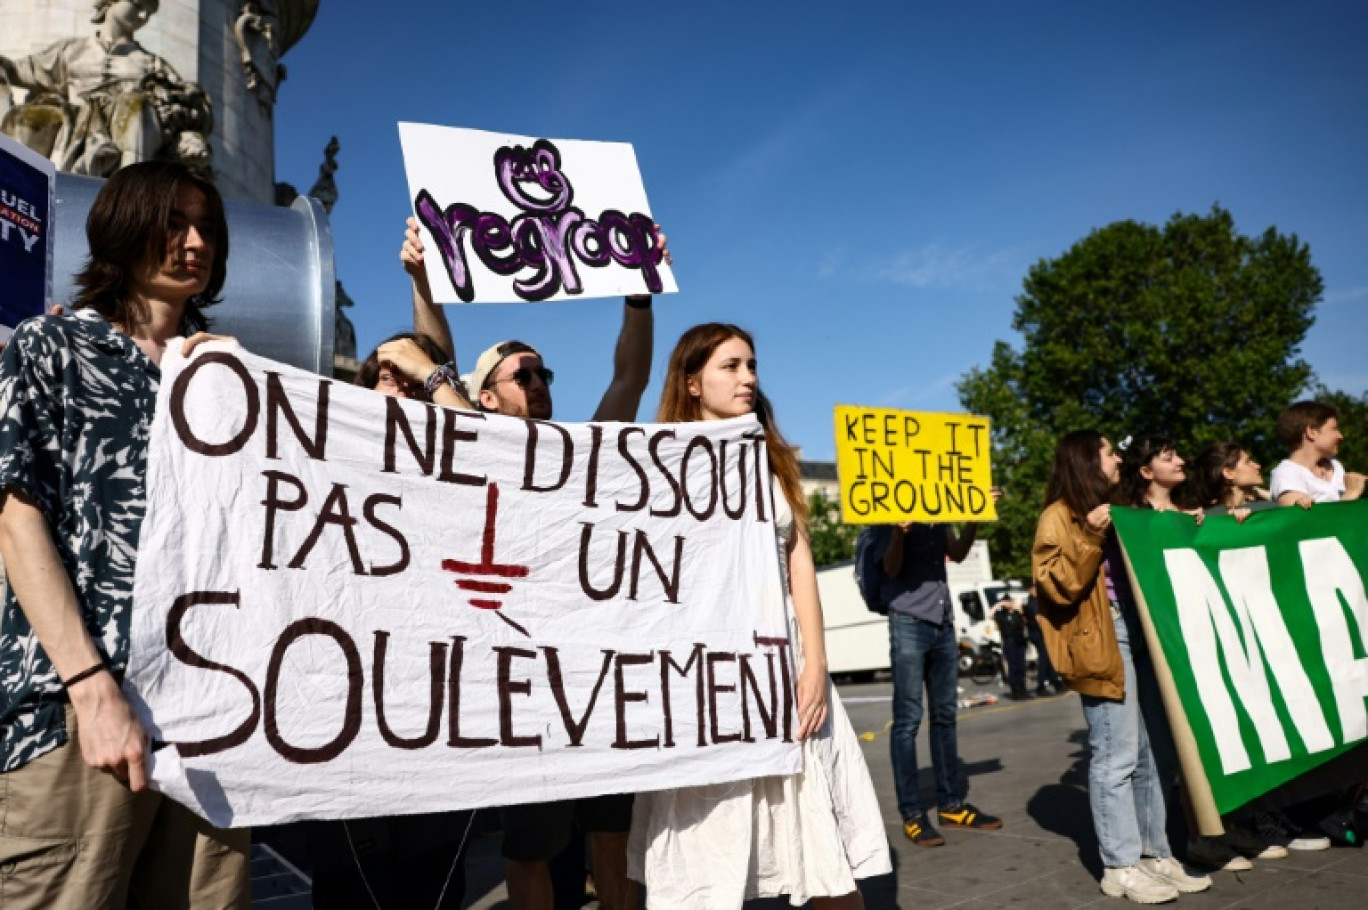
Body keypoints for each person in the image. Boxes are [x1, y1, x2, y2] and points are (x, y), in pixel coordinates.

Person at [0, 160, 247, 907]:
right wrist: (89, 685)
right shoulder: (54, 350)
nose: (195, 242)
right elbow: (16, 515)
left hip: (214, 723)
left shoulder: (233, 380)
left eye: (206, 227)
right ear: (122, 226)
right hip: (79, 720)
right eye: (173, 222)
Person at [399, 217, 665, 910]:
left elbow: (630, 376)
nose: (540, 381)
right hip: (523, 685)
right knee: (532, 850)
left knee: (612, 838)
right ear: (485, 397)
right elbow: (436, 362)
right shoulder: (472, 449)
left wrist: (638, 292)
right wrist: (426, 281)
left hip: (595, 680)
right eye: (524, 373)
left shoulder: (580, 452)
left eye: (546, 371)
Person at [628, 322, 890, 908]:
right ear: (692, 382)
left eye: (752, 365)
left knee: (827, 852)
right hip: (709, 678)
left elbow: (799, 563)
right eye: (732, 366)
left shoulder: (768, 458)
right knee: (706, 859)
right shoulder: (658, 463)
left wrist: (816, 664)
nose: (749, 377)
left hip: (790, 667)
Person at [302, 330, 475, 910]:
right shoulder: (325, 455)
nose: (395, 374)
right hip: (345, 720)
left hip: (431, 718)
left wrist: (433, 375)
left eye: (410, 370)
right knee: (355, 890)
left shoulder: (454, 465)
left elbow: (489, 452)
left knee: (433, 887)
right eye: (383, 369)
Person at [1033, 430, 1211, 903]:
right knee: (1117, 754)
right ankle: (1120, 865)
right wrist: (1090, 535)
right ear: (1087, 461)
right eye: (1110, 453)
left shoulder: (1121, 507)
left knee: (1158, 753)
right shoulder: (1059, 516)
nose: (1118, 460)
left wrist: (1182, 522)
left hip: (1143, 631)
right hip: (1104, 639)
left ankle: (1156, 854)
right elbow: (1056, 586)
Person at [870, 517, 1003, 846]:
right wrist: (900, 534)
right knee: (908, 720)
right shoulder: (885, 513)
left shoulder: (938, 511)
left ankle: (951, 806)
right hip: (908, 620)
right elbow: (890, 567)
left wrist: (975, 517)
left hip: (942, 621)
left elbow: (956, 553)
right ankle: (912, 813)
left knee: (945, 717)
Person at [1269, 401, 1366, 506]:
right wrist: (1351, 494)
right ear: (1312, 432)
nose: (1340, 436)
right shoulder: (1286, 474)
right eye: (1334, 429)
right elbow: (1301, 520)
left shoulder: (1336, 466)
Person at [1023, 585, 1062, 695]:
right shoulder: (1033, 603)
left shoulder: (1032, 602)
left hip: (1038, 634)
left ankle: (1055, 682)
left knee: (1048, 659)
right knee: (1044, 660)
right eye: (1035, 589)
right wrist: (1048, 633)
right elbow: (1038, 619)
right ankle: (1041, 685)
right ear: (1030, 590)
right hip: (1039, 635)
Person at [991, 594, 1031, 700]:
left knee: (1021, 667)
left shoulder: (1017, 613)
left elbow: (1025, 619)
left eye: (1010, 602)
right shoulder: (1000, 615)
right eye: (1006, 602)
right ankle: (1015, 690)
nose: (1009, 604)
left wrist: (1017, 607)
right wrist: (998, 604)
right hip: (1009, 642)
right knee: (1013, 667)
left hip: (1020, 641)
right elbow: (989, 616)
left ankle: (1023, 689)